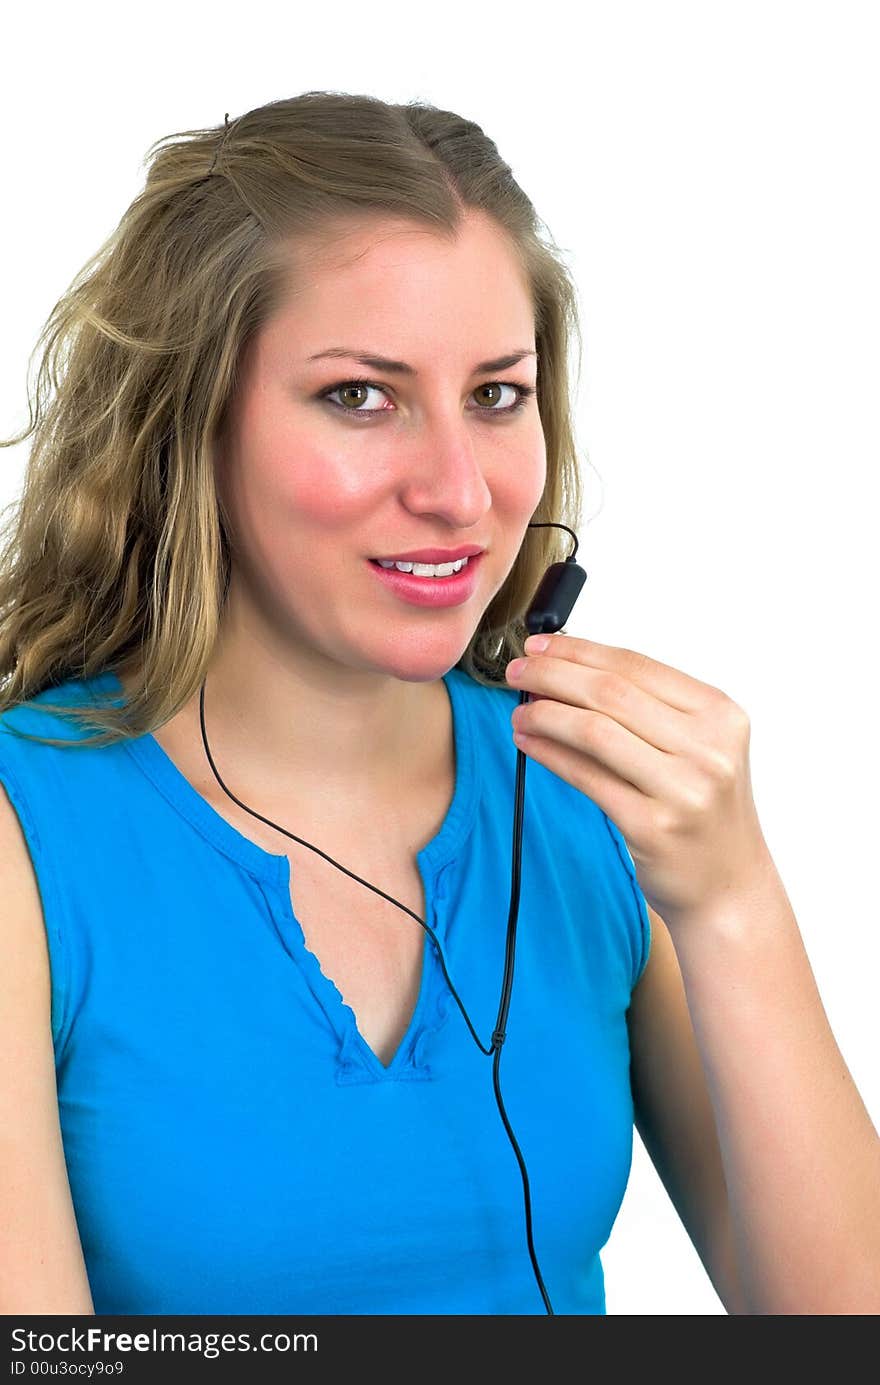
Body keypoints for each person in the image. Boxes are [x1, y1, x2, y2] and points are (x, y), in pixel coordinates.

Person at [1, 93, 878, 1318]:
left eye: (495, 395)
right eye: (361, 395)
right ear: (187, 426)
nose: (460, 492)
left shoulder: (592, 799)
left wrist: (732, 899)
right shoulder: (27, 831)